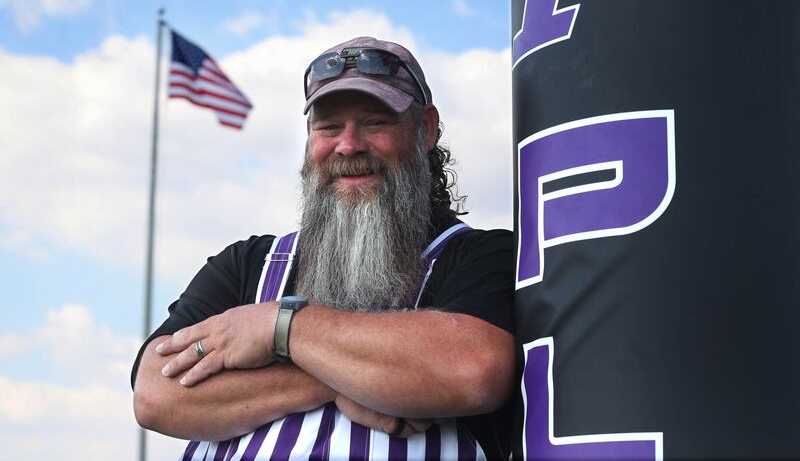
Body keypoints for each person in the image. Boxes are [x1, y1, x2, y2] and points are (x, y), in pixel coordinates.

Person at [131, 36, 515, 460]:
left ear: (424, 129)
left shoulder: (481, 256)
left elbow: (473, 370)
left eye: (374, 122)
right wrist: (347, 381)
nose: (348, 145)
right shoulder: (248, 266)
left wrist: (277, 328)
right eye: (328, 127)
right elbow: (156, 394)